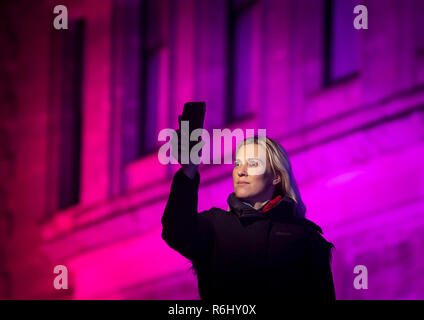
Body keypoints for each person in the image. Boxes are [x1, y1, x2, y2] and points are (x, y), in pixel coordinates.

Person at [161, 134, 336, 301]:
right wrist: (188, 170)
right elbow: (176, 230)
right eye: (237, 163)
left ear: (276, 177)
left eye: (253, 163)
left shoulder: (306, 237)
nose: (240, 171)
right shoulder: (215, 225)